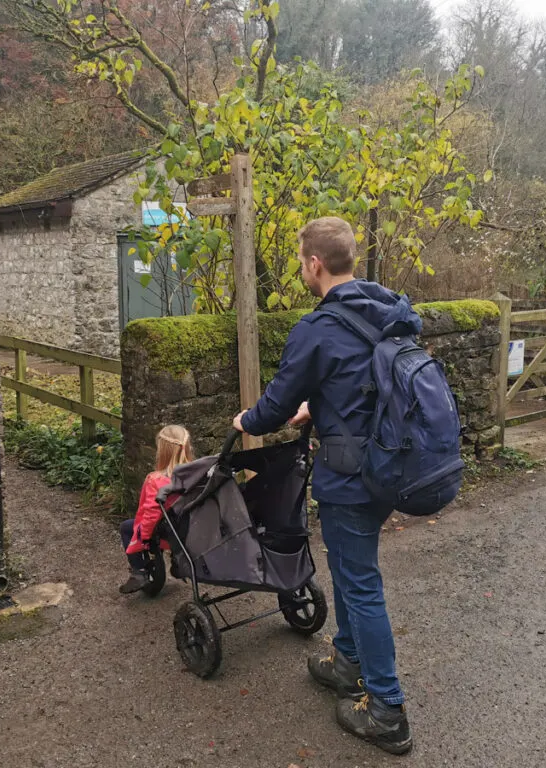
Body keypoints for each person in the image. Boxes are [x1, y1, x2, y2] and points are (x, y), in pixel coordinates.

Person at [232, 216, 421, 755]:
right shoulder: (387, 309)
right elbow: (367, 381)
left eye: (300, 261)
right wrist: (323, 404)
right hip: (390, 463)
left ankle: (387, 709)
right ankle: (345, 660)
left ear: (315, 264)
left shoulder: (316, 328)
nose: (301, 269)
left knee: (360, 583)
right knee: (348, 567)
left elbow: (274, 406)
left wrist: (247, 421)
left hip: (351, 475)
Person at [118, 425, 194, 595]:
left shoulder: (156, 480)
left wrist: (142, 538)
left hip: (165, 533)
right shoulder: (196, 475)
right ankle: (177, 559)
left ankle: (139, 572)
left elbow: (152, 514)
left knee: (126, 528)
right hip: (189, 530)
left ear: (162, 451)